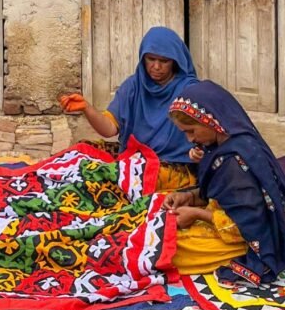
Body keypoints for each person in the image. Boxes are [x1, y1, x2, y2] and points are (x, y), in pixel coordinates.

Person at [164, 80, 285, 281]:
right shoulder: (221, 146)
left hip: (251, 239)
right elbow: (217, 192)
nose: (190, 140)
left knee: (173, 249)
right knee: (163, 226)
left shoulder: (235, 162)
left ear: (211, 121)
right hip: (228, 220)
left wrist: (197, 214)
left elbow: (248, 226)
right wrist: (189, 197)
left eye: (191, 131)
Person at [60, 26, 198, 192]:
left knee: (114, 179)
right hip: (135, 158)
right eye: (151, 59)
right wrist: (87, 108)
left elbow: (207, 133)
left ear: (175, 62)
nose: (156, 66)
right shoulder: (133, 86)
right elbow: (110, 129)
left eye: (164, 61)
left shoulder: (190, 91)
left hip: (172, 165)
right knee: (79, 153)